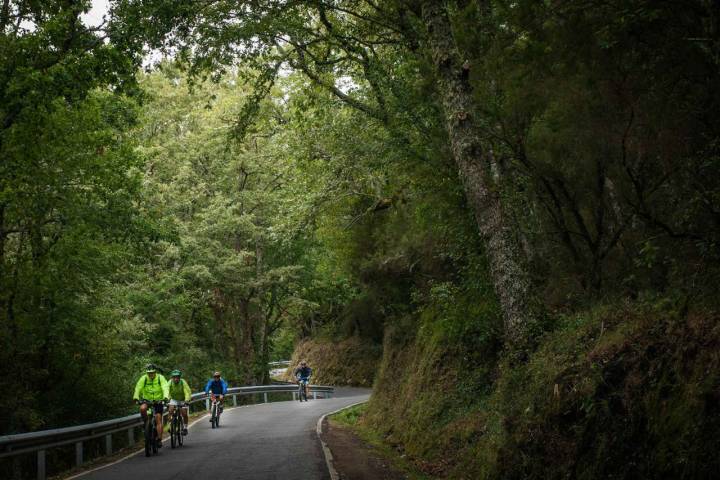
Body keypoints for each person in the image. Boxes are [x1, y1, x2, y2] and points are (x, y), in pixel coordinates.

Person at [133, 364, 169, 448]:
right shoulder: (144, 378)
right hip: (147, 401)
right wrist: (136, 397)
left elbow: (165, 387)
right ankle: (146, 423)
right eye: (149, 373)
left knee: (158, 418)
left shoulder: (160, 378)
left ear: (155, 372)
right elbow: (138, 388)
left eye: (152, 373)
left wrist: (165, 397)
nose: (151, 374)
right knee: (142, 408)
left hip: (158, 401)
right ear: (147, 373)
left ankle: (159, 439)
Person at [167, 369, 191, 436]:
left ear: (179, 377)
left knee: (184, 413)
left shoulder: (183, 382)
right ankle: (169, 426)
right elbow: (166, 390)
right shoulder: (170, 382)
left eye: (177, 377)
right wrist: (167, 399)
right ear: (172, 377)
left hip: (183, 399)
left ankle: (185, 428)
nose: (176, 379)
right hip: (174, 399)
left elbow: (187, 391)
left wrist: (187, 400)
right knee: (170, 410)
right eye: (174, 377)